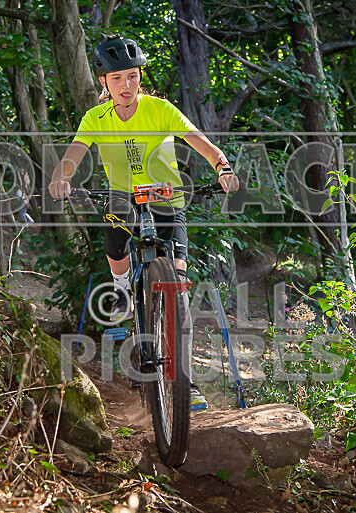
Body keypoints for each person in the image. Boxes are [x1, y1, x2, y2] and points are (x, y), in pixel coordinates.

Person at [48, 35, 239, 410]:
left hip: (167, 200)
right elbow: (73, 154)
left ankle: (182, 378)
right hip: (123, 199)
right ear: (103, 82)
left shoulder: (161, 109)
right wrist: (62, 176)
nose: (126, 85)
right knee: (114, 241)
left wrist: (223, 167)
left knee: (177, 287)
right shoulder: (95, 118)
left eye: (133, 76)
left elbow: (201, 143)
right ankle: (122, 287)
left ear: (140, 77)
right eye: (117, 78)